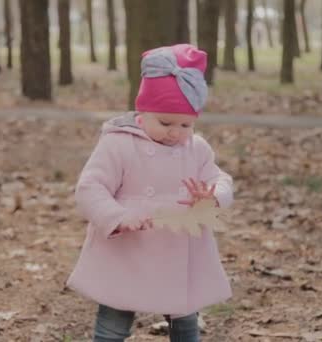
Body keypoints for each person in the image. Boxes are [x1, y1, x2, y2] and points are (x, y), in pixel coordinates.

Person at [67, 43, 234, 342]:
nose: (175, 132)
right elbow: (90, 188)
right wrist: (117, 216)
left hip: (179, 244)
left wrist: (212, 195)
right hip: (128, 247)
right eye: (165, 122)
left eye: (186, 124)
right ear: (142, 113)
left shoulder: (195, 148)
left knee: (185, 316)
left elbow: (220, 178)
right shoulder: (119, 144)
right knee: (115, 314)